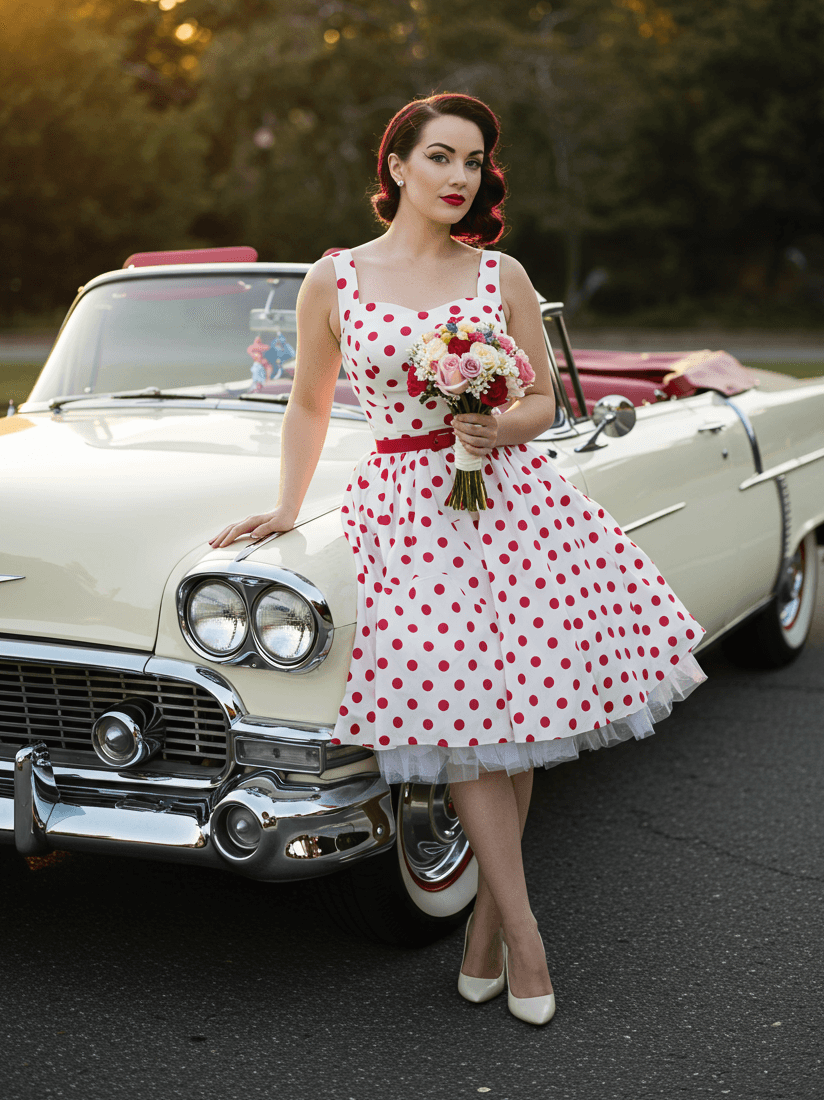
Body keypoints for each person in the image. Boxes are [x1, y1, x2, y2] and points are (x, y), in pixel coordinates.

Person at [210, 92, 707, 1026]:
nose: (457, 177)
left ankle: (487, 928)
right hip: (403, 510)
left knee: (515, 715)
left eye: (473, 162)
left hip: (513, 503)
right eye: (439, 157)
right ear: (396, 165)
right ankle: (524, 935)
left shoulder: (500, 274)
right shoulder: (336, 280)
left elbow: (545, 406)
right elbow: (311, 406)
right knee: (472, 719)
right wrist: (285, 506)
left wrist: (490, 420)